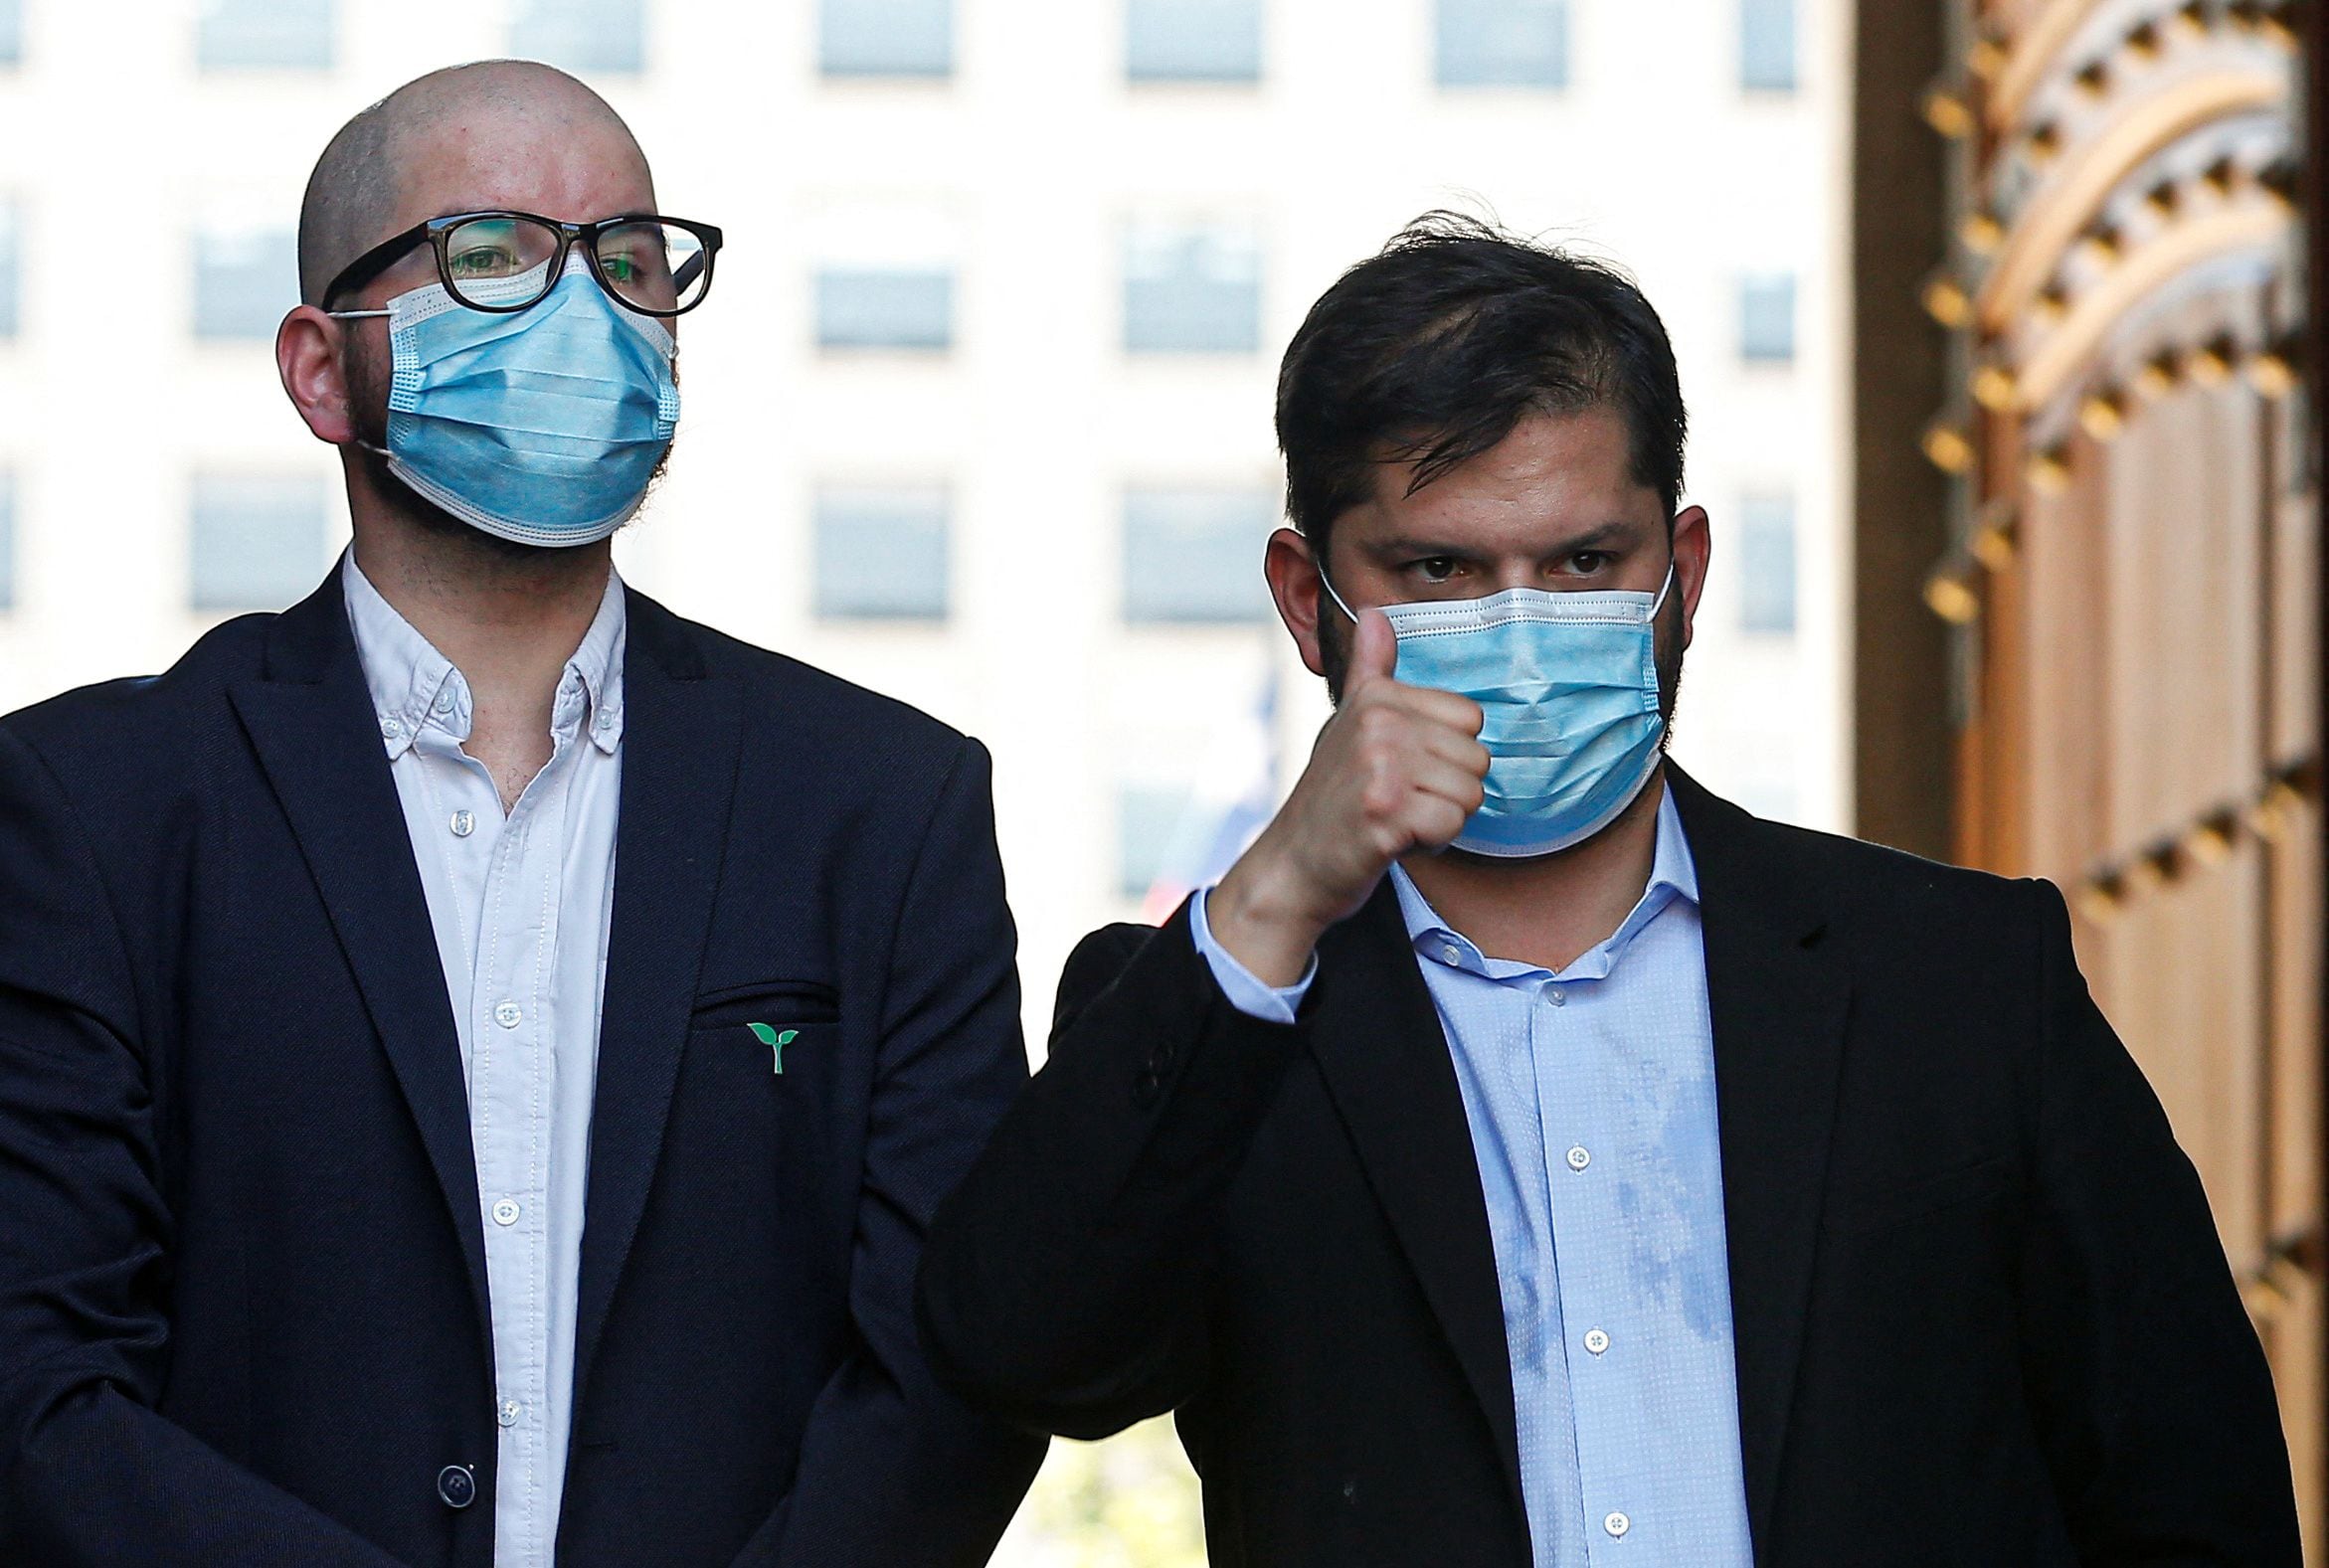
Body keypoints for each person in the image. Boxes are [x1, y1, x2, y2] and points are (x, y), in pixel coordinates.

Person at [916, 214, 2299, 1566]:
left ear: (1680, 574)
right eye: (1440, 569)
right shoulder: (1216, 1005)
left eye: (1584, 562)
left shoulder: (1957, 979)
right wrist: (1277, 890)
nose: (1520, 629)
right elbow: (1032, 1352)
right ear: (1307, 597)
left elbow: (2193, 1487)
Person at [0, 61, 1042, 1567]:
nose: (588, 312)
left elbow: (949, 1370)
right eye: (493, 258)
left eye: (629, 261)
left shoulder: (881, 806)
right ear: (319, 366)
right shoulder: (92, 814)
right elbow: (39, 1387)